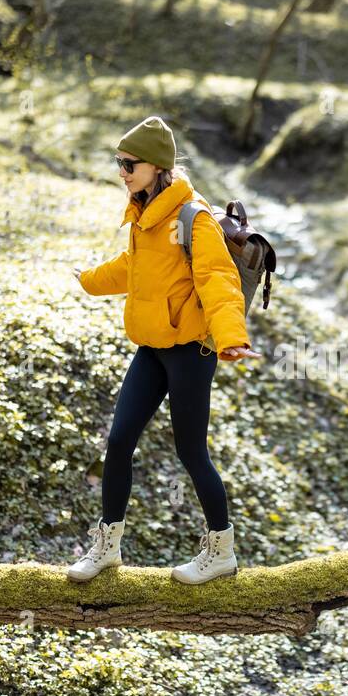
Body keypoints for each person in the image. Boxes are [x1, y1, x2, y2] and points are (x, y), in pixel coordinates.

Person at [66, 115, 260, 585]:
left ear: (157, 166)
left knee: (191, 453)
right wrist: (89, 280)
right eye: (118, 162)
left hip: (191, 350)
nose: (122, 171)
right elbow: (133, 268)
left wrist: (231, 338)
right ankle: (107, 546)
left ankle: (221, 550)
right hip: (152, 347)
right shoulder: (142, 213)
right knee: (118, 442)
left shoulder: (193, 218)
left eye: (129, 164)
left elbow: (219, 281)